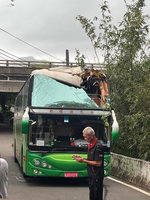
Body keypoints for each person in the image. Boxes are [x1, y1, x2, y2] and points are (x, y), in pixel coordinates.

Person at [74, 127, 104, 200]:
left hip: (96, 176)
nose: (84, 138)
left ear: (91, 136)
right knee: (92, 195)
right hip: (91, 176)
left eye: (85, 136)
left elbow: (98, 163)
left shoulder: (98, 146)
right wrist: (82, 158)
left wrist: (83, 161)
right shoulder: (90, 145)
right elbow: (91, 159)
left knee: (96, 196)